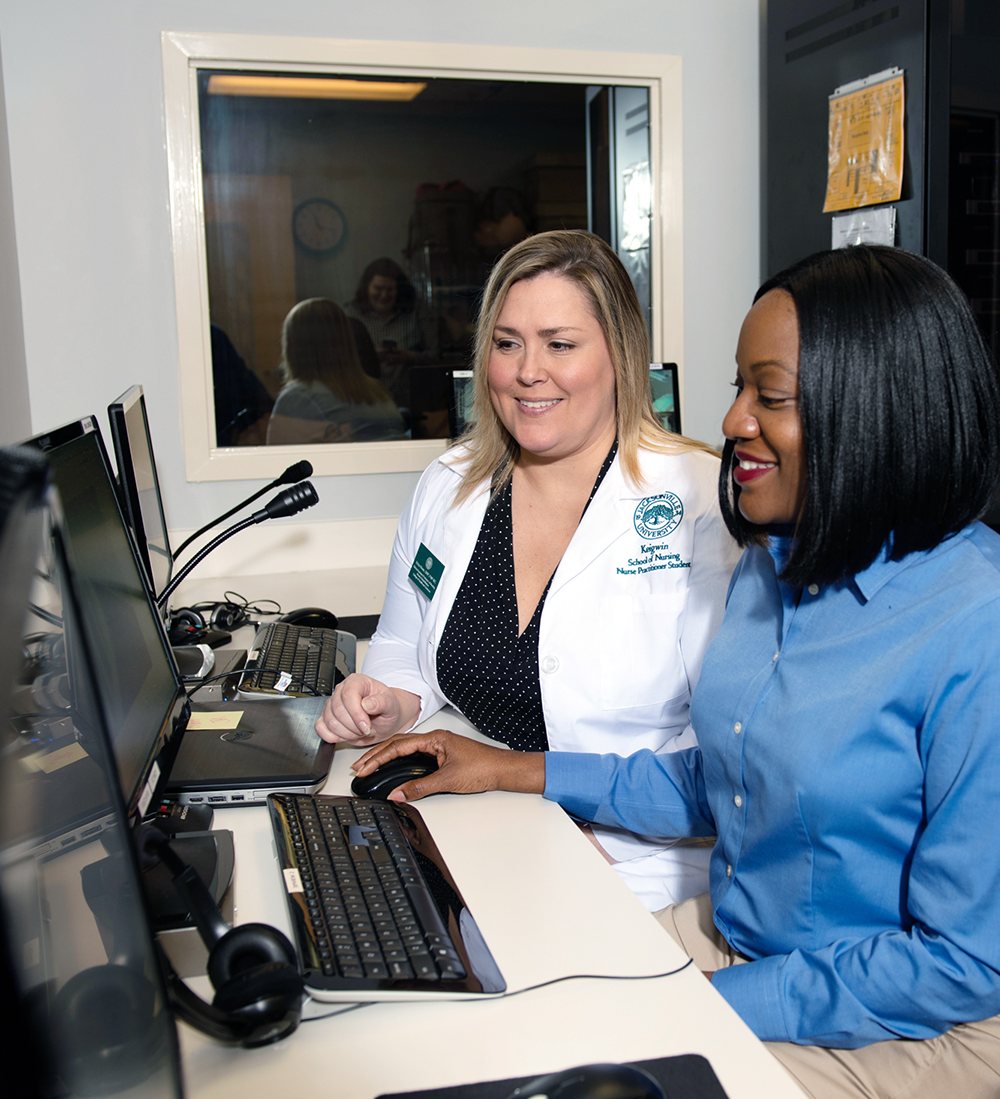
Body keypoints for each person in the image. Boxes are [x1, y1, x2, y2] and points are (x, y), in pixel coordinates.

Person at [349, 245, 1000, 1099]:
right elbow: (723, 780)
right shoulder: (780, 562)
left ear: (875, 409)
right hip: (749, 940)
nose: (731, 420)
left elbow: (963, 962)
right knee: (494, 1029)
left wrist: (699, 1000)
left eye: (769, 395)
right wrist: (512, 770)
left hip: (916, 1013)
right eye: (739, 387)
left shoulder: (974, 625)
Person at [317, 230, 740, 911]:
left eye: (559, 344)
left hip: (635, 861)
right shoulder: (450, 484)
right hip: (485, 829)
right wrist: (389, 700)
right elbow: (401, 642)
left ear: (620, 354)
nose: (526, 370)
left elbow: (726, 755)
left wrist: (598, 840)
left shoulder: (700, 503)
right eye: (507, 342)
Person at [267, 298, 405, 444]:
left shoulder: (297, 398)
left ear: (293, 347)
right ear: (345, 339)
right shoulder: (378, 392)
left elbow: (274, 461)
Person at [344, 258, 431, 409]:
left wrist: (410, 356)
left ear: (400, 290)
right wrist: (368, 357)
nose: (384, 295)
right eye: (378, 288)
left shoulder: (416, 314)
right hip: (364, 404)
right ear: (367, 288)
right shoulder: (350, 315)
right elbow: (339, 360)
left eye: (390, 289)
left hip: (412, 404)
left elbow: (437, 357)